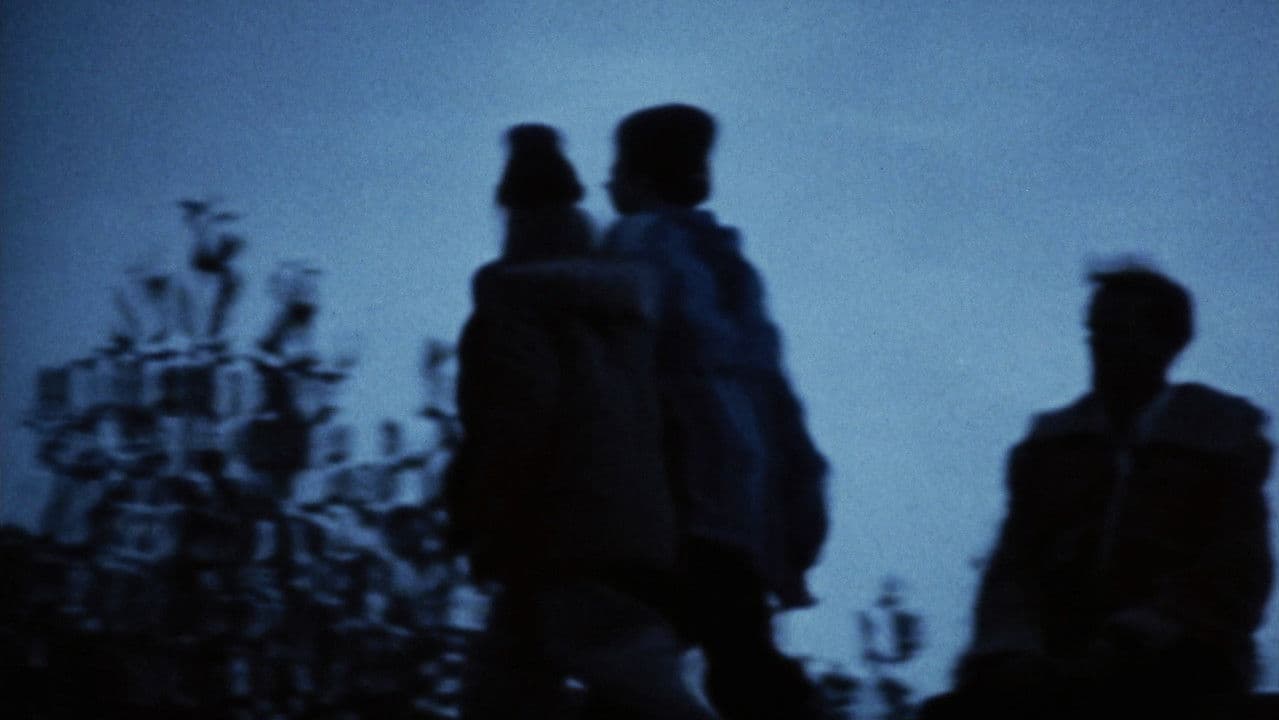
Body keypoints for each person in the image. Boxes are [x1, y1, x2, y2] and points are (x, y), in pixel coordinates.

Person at [919, 264, 1274, 720]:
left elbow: (1236, 568)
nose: (1099, 345)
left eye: (1118, 330)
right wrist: (1013, 649)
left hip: (1178, 658)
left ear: (1167, 342)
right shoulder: (1051, 449)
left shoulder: (1220, 439)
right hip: (1051, 660)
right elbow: (1012, 568)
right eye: (1095, 330)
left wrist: (1141, 633)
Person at [446, 123, 712, 719]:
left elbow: (513, 425)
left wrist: (481, 521)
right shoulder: (624, 312)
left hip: (562, 542)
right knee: (517, 688)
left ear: (512, 216)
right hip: (640, 538)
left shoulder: (510, 306)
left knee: (625, 684)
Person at [601, 103, 830, 720]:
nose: (607, 184)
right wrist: (798, 507)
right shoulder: (728, 263)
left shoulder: (634, 243)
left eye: (616, 169)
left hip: (674, 497)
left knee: (645, 667)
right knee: (731, 656)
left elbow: (618, 363)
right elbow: (774, 392)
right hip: (743, 505)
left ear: (640, 178)